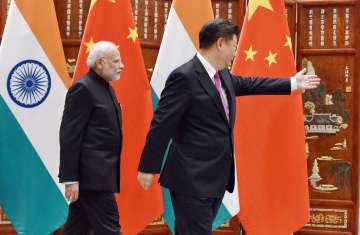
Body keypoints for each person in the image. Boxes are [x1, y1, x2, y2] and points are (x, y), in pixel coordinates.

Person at [137, 19, 320, 235]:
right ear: (220, 43)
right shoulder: (184, 77)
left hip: (215, 178)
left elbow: (250, 84)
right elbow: (162, 124)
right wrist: (148, 166)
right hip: (191, 178)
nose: (235, 52)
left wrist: (291, 83)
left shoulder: (223, 74)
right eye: (234, 46)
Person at [59, 41, 124, 235]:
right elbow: (70, 135)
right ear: (100, 63)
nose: (122, 65)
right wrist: (71, 178)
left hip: (101, 175)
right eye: (116, 61)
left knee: (77, 228)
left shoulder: (107, 87)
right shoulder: (83, 88)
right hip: (92, 178)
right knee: (110, 229)